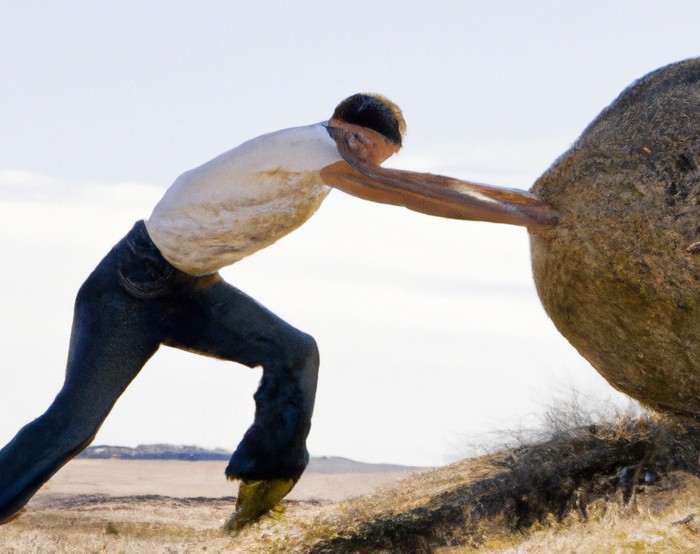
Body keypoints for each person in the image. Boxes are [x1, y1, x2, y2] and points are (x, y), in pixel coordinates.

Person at [0, 93, 560, 530]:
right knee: (75, 422)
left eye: (375, 156)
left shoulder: (336, 154)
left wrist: (520, 198)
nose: (366, 162)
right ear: (345, 127)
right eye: (363, 147)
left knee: (293, 351)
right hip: (129, 286)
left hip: (189, 288)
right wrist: (523, 222)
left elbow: (413, 182)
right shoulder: (310, 146)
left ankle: (259, 498)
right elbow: (404, 196)